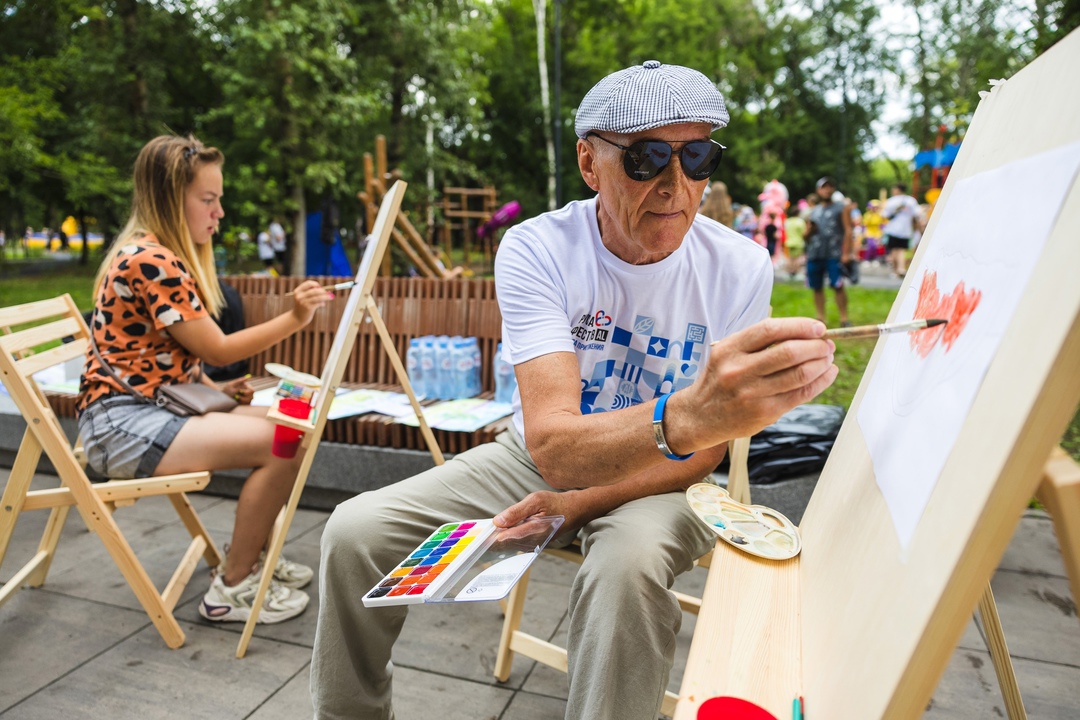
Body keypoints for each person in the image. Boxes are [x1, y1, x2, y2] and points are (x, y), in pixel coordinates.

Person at [310, 61, 837, 720]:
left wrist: (581, 504)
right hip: (537, 455)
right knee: (354, 532)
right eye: (647, 159)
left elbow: (702, 453)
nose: (677, 185)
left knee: (625, 573)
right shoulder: (538, 248)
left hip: (667, 476)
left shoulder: (738, 265)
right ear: (590, 164)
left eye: (697, 156)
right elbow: (553, 446)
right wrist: (686, 416)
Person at [76, 134, 332, 625]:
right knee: (288, 437)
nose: (218, 213)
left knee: (292, 421)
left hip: (148, 409)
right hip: (120, 427)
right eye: (208, 200)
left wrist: (216, 391)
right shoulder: (151, 259)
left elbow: (149, 359)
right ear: (173, 198)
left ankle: (249, 554)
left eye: (219, 200)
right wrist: (295, 316)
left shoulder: (154, 253)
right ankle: (233, 587)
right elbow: (216, 348)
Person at [805, 176, 852, 326]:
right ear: (818, 190)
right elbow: (805, 237)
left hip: (834, 253)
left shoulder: (841, 207)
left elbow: (848, 230)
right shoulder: (814, 211)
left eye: (829, 186)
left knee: (838, 285)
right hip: (815, 253)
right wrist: (809, 230)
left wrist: (846, 253)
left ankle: (844, 318)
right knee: (817, 287)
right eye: (824, 187)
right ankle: (820, 318)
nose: (827, 189)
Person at [882, 182, 920, 277]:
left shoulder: (891, 201)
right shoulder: (911, 200)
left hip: (893, 229)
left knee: (894, 250)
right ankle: (901, 268)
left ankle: (896, 270)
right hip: (905, 230)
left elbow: (885, 215)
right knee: (901, 250)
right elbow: (917, 214)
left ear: (897, 189)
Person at [784, 203, 808, 279]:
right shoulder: (800, 222)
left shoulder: (787, 221)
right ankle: (795, 272)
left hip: (789, 241)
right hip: (798, 242)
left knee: (790, 258)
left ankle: (790, 272)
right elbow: (803, 232)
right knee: (797, 258)